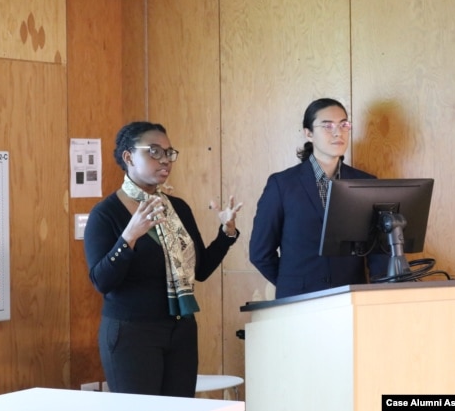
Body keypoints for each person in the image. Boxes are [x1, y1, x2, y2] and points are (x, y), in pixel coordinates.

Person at [84, 121, 242, 398]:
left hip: (180, 329)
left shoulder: (177, 208)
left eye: (169, 153)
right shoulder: (106, 213)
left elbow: (201, 270)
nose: (165, 160)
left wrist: (226, 234)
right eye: (154, 152)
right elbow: (102, 281)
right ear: (128, 157)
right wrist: (129, 237)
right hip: (132, 333)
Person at [249, 98, 387, 299]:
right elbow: (260, 253)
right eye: (327, 126)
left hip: (351, 299)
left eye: (343, 124)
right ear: (308, 133)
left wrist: (378, 296)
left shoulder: (365, 182)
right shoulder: (282, 184)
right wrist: (293, 284)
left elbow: (378, 252)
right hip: (298, 302)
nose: (337, 132)